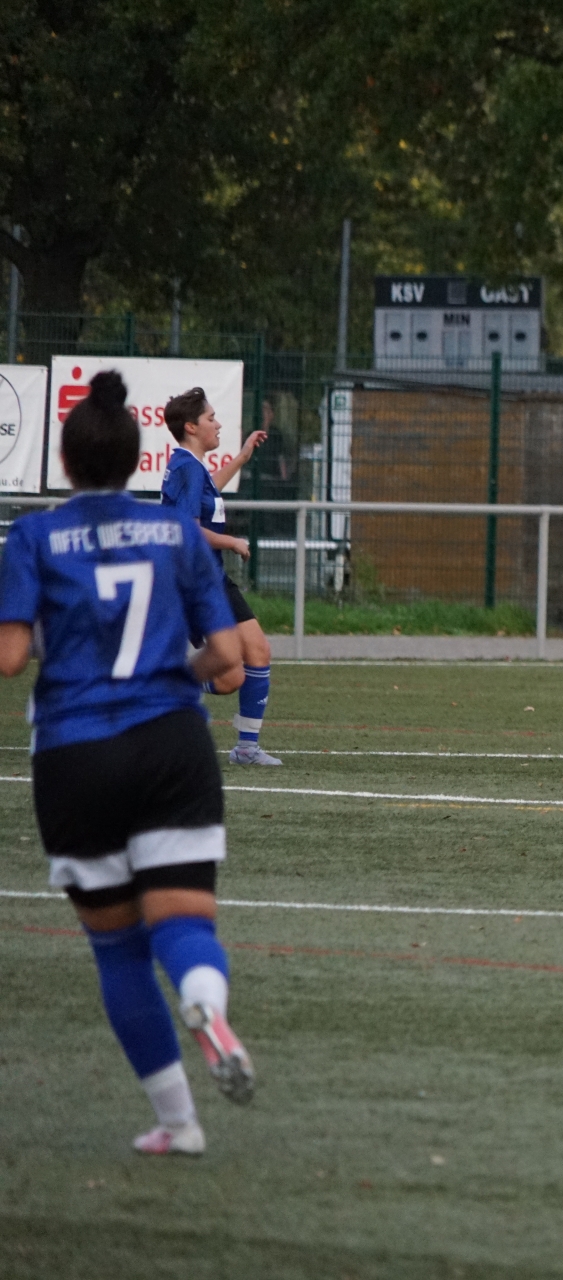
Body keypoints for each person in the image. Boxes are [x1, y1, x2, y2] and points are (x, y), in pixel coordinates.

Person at [0, 371, 256, 1155]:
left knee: (117, 948)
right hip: (171, 746)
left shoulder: (33, 538)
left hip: (76, 752)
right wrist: (166, 678)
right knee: (183, 923)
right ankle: (208, 1004)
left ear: (70, 466)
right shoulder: (174, 534)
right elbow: (224, 655)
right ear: (138, 458)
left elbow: (11, 658)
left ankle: (179, 1123)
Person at [160, 387, 278, 765]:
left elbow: (208, 494)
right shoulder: (186, 468)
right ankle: (161, 685)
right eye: (211, 418)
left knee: (247, 663)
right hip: (196, 579)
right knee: (235, 672)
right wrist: (232, 542)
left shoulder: (191, 467)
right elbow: (188, 529)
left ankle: (246, 747)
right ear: (192, 427)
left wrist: (242, 457)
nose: (218, 423)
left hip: (209, 577)